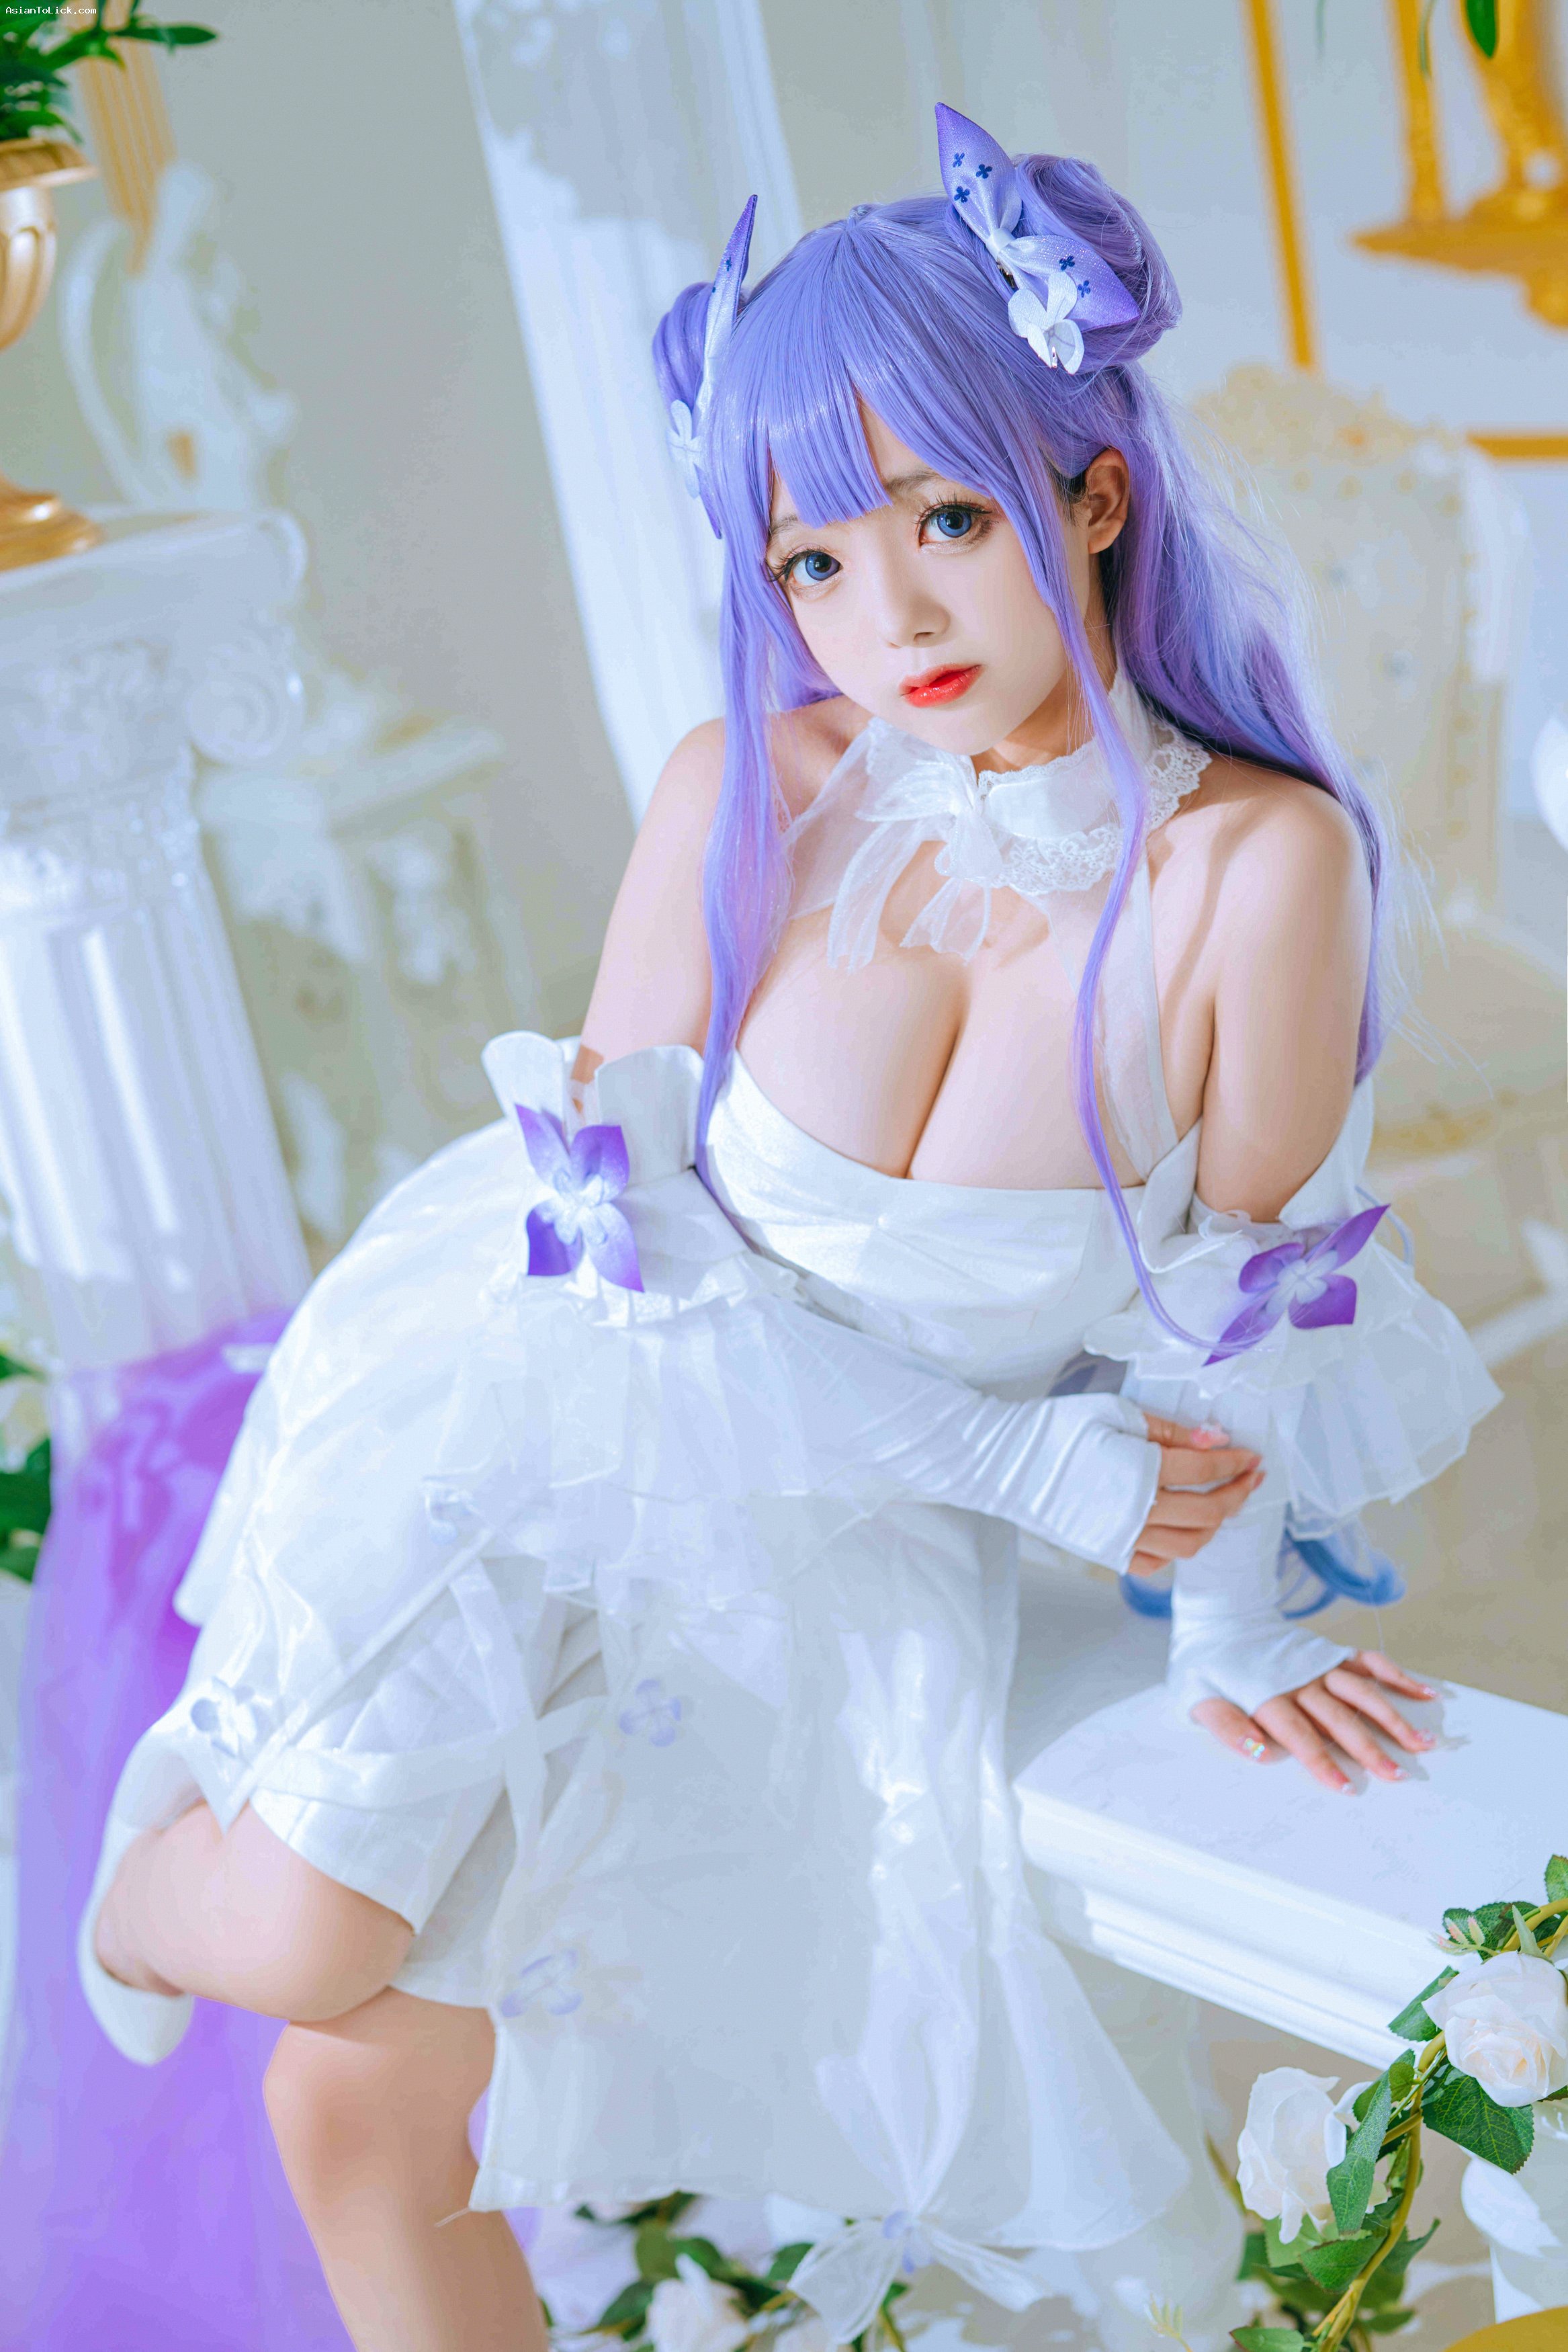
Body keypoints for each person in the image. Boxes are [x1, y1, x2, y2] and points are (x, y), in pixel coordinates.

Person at [76, 109, 1498, 2352]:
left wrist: (1230, 1628)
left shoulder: (1257, 871)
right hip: (525, 1428)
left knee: (361, 2102)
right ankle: (142, 1879)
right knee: (309, 1957)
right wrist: (1030, 1459)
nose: (888, 615)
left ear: (1092, 491)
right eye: (813, 556)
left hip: (824, 1542)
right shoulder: (755, 783)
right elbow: (617, 1280)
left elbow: (1246, 1305)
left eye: (948, 518)